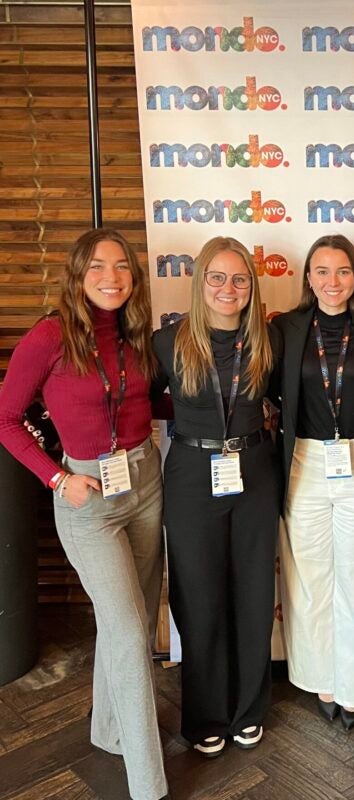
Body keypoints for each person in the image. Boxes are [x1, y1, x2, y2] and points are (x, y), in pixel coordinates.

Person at [0, 228, 168, 800]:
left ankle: (111, 731)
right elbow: (5, 419)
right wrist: (57, 476)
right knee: (124, 632)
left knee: (138, 622)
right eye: (98, 266)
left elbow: (153, 401)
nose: (112, 277)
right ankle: (149, 783)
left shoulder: (135, 336)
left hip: (146, 481)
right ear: (78, 274)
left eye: (122, 266)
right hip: (86, 499)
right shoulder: (49, 337)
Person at [152, 236, 280, 758]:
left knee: (251, 595)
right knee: (198, 596)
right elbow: (138, 402)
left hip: (253, 472)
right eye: (218, 277)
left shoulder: (269, 343)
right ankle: (205, 713)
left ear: (252, 286)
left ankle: (248, 709)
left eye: (240, 279)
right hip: (190, 473)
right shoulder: (169, 341)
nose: (229, 289)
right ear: (200, 281)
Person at [274, 234, 354, 731]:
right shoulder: (285, 329)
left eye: (342, 271)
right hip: (304, 461)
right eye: (321, 271)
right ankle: (321, 677)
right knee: (310, 581)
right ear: (307, 278)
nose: (332, 282)